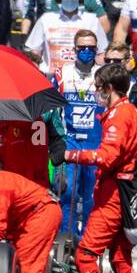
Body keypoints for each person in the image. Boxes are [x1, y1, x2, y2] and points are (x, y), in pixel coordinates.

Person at [60, 64, 137, 273]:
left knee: (85, 254)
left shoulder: (120, 116)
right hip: (128, 192)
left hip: (113, 193)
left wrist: (71, 155)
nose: (96, 92)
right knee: (121, 258)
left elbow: (106, 157)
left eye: (98, 87)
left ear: (109, 88)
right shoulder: (133, 113)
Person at [53, 29, 104, 237]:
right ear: (74, 49)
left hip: (96, 143)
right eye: (81, 48)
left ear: (96, 49)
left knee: (92, 196)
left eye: (90, 48)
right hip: (71, 141)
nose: (85, 51)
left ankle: (90, 244)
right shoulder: (62, 73)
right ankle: (67, 240)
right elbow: (52, 109)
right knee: (68, 194)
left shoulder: (104, 74)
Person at [25, 0, 107, 77]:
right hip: (51, 76)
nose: (70, 0)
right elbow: (34, 51)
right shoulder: (46, 19)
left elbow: (101, 53)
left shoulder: (92, 20)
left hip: (84, 76)